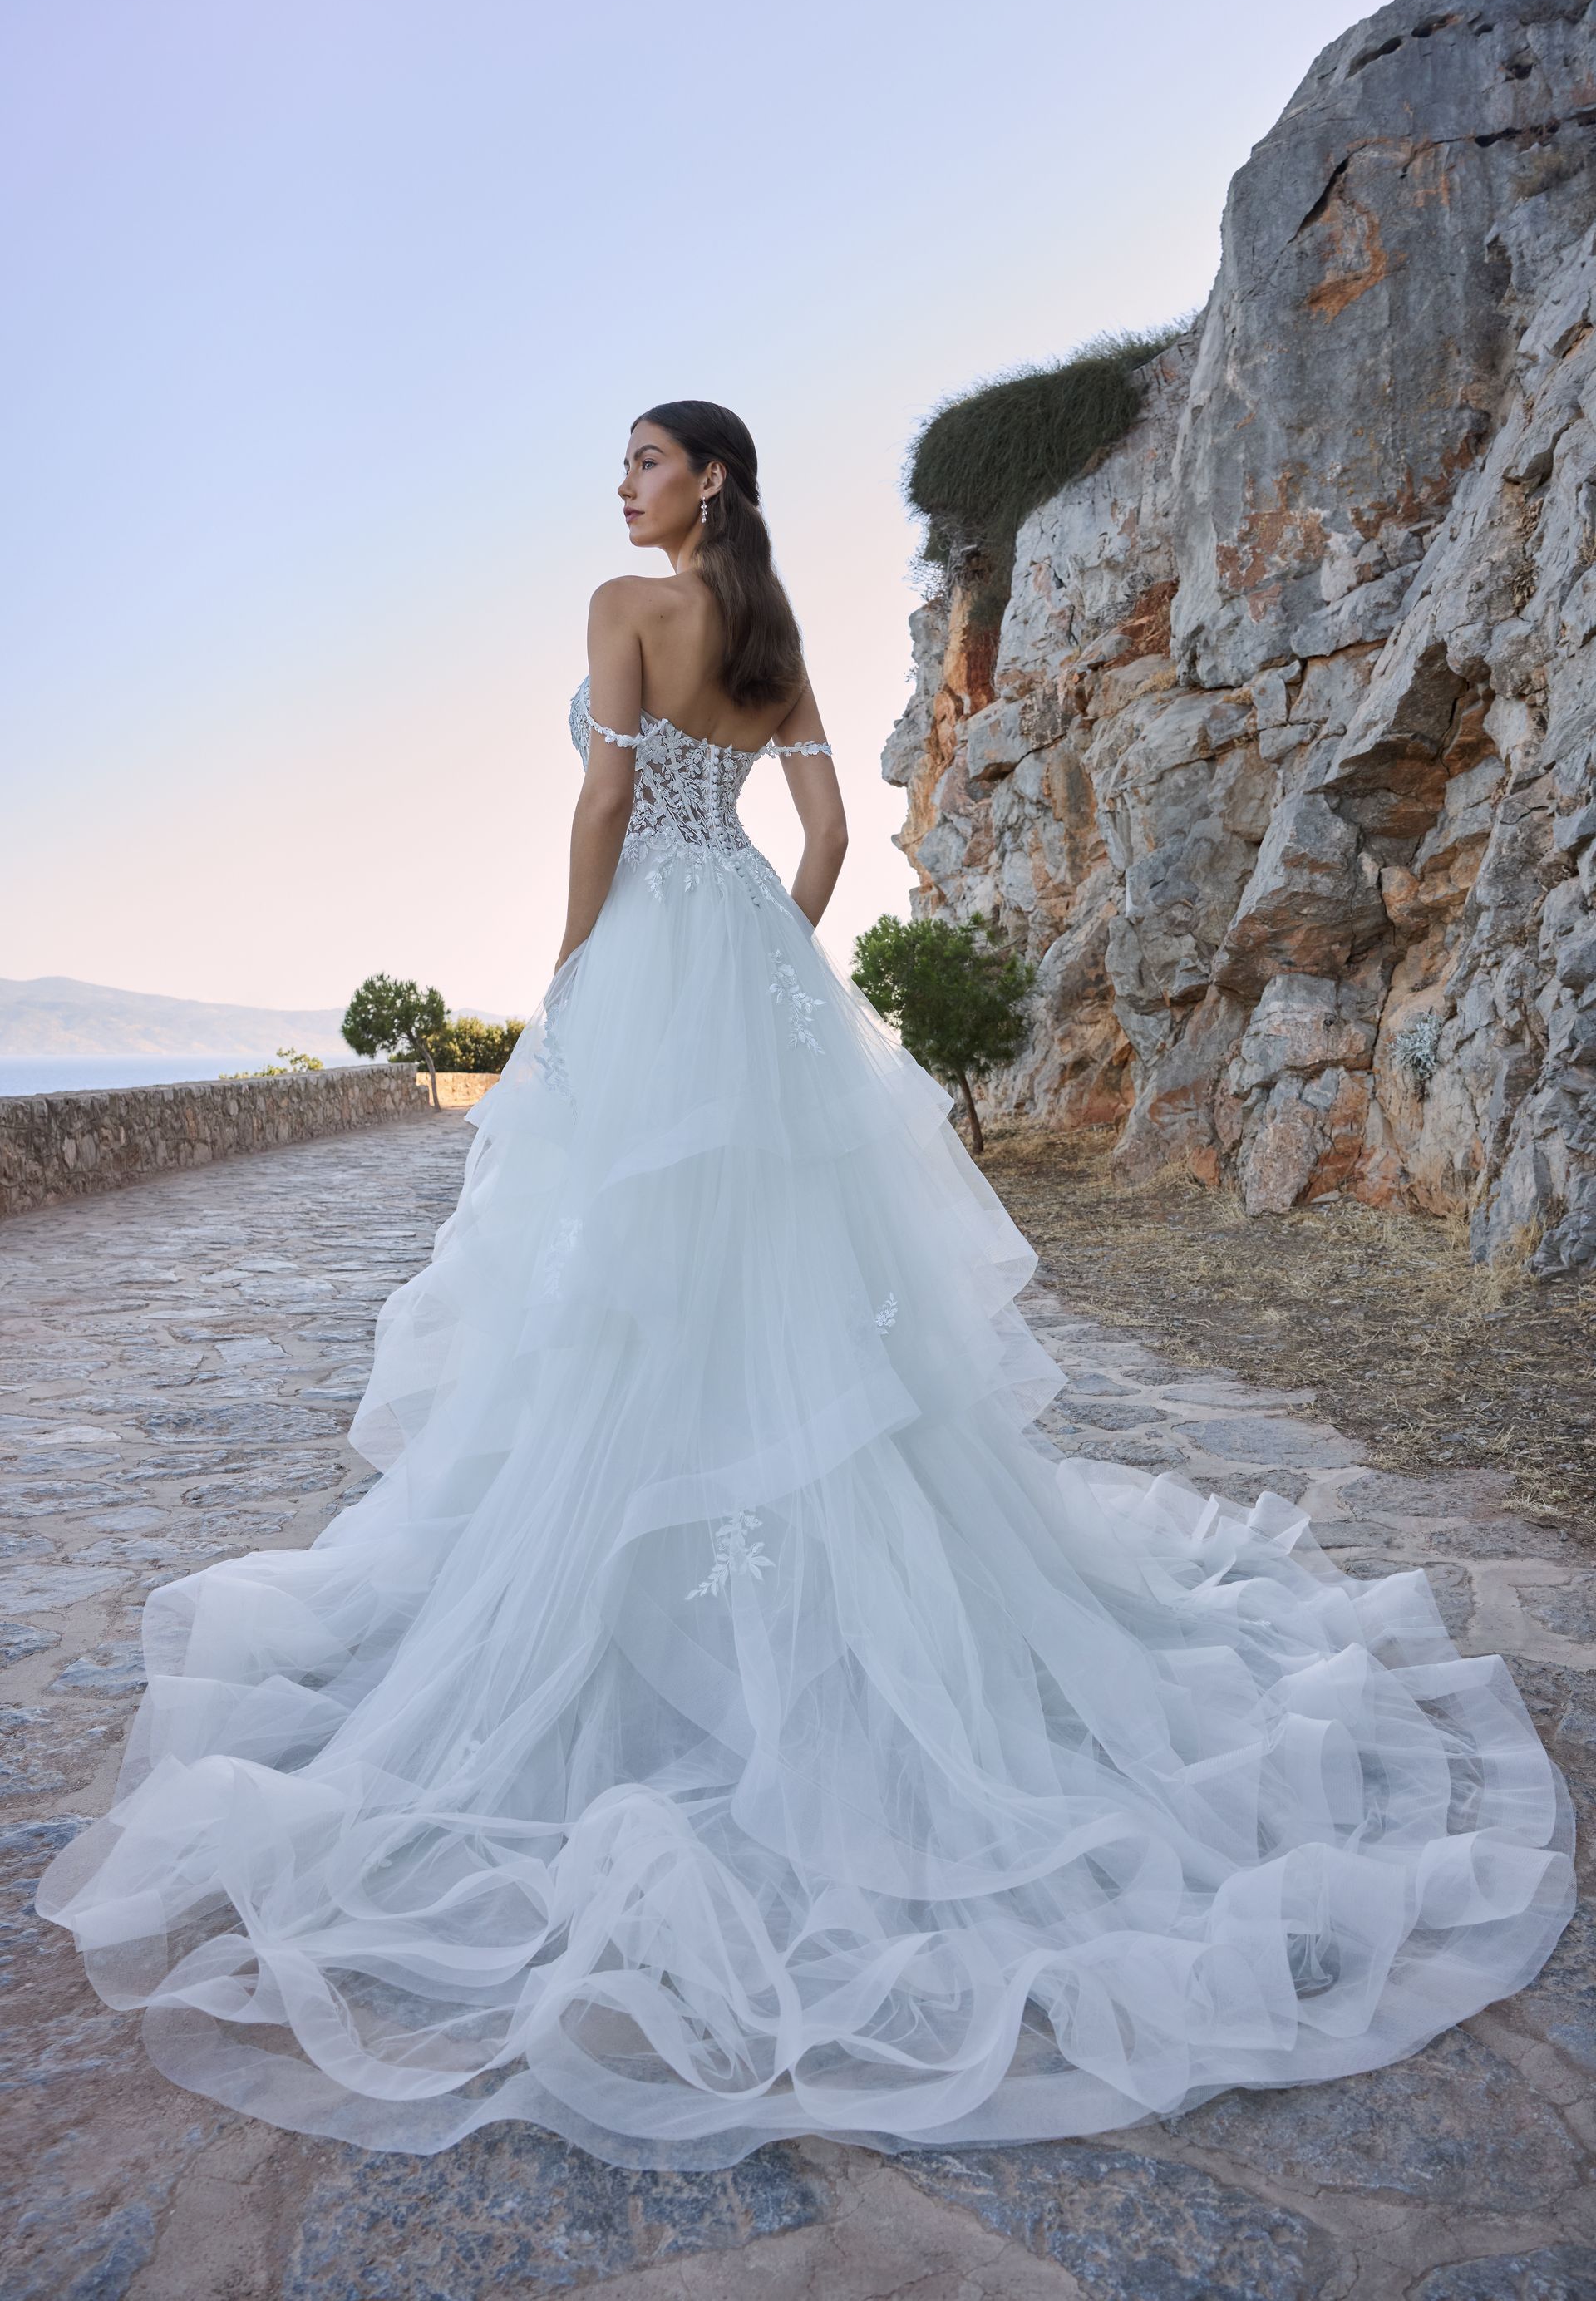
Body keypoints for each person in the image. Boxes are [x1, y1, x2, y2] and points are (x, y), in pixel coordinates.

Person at [38, 400, 1575, 2173]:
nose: (619, 487)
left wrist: (577, 977)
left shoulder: (625, 606)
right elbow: (833, 839)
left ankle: (635, 1620)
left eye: (640, 460)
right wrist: (764, 953)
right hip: (755, 959)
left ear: (703, 481)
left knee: (627, 1289)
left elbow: (607, 790)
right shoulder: (769, 637)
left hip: (652, 957)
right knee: (791, 1291)